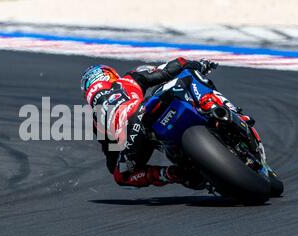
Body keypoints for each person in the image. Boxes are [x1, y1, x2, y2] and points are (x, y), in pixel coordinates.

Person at [80, 57, 253, 189]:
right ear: (110, 75)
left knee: (121, 176)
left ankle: (172, 174)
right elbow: (166, 70)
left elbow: (112, 162)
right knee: (190, 75)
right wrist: (194, 64)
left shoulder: (95, 120)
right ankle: (219, 108)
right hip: (144, 109)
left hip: (136, 136)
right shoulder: (127, 79)